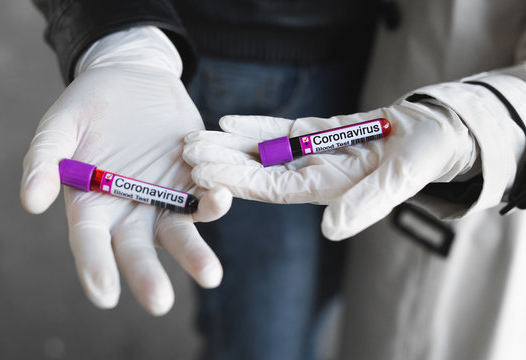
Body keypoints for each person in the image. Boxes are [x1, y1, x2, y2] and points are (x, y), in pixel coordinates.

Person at [23, 1, 375, 359]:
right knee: (266, 333)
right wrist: (116, 32)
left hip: (380, 55)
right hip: (235, 48)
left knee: (328, 289)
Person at [183, 1, 526, 359]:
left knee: (312, 302)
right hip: (310, 49)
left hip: (387, 75)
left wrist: (477, 124)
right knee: (268, 326)